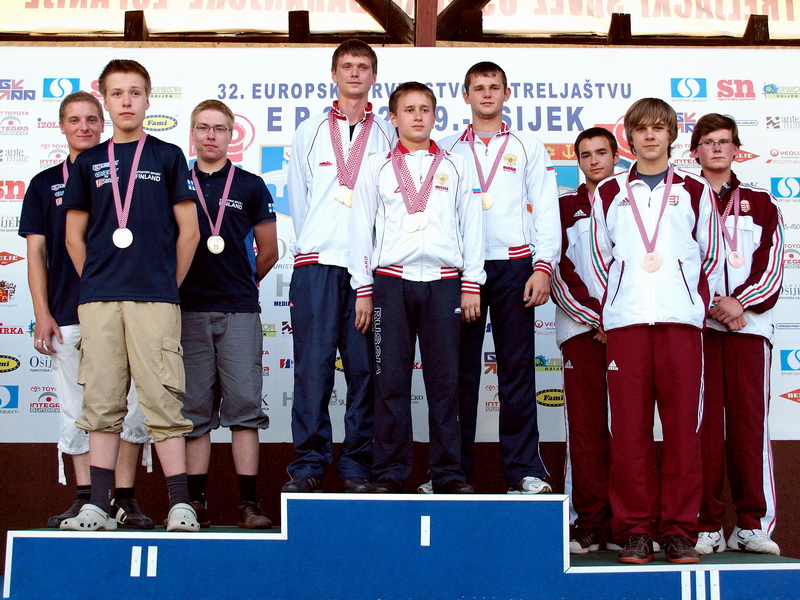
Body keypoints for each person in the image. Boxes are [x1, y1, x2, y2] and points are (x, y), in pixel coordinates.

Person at [60, 59, 201, 532]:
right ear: (104, 98)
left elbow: (189, 232)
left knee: (162, 400)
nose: (126, 101)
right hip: (100, 300)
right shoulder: (88, 162)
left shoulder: (167, 155)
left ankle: (180, 505)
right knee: (101, 403)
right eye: (117, 93)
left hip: (155, 299)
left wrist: (167, 284)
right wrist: (98, 279)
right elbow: (73, 237)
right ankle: (98, 506)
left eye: (135, 92)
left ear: (147, 99)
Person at [590, 98, 723, 564]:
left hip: (679, 324)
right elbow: (599, 257)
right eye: (641, 129)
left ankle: (680, 531)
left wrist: (690, 301)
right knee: (629, 433)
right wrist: (616, 302)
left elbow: (710, 256)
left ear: (671, 134)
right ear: (629, 136)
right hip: (626, 326)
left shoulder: (695, 190)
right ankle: (635, 531)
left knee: (684, 431)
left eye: (658, 128)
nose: (650, 136)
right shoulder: (610, 191)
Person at [19, 91, 153, 530]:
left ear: (103, 122)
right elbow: (36, 254)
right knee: (76, 408)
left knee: (131, 408)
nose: (84, 127)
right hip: (68, 313)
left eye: (92, 119)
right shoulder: (44, 184)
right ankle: (84, 499)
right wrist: (42, 313)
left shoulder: (123, 175)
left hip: (126, 309)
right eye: (74, 120)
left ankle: (125, 498)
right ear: (61, 126)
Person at [349, 81, 485, 494]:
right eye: (409, 109)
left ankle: (448, 474)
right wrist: (363, 288)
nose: (418, 116)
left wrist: (472, 283)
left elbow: (472, 226)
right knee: (390, 383)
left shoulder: (456, 165)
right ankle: (390, 472)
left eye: (425, 109)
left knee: (446, 385)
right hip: (391, 283)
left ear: (435, 115)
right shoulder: (376, 166)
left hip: (445, 284)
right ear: (393, 118)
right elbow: (361, 230)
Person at [439, 61, 560, 495]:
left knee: (516, 372)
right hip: (462, 271)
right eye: (479, 87)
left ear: (507, 94)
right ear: (465, 95)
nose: (487, 94)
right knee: (457, 374)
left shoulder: (528, 145)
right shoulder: (447, 148)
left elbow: (545, 208)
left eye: (494, 87)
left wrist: (543, 266)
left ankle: (524, 471)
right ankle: (451, 473)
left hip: (514, 267)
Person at [284, 39, 396, 493]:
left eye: (363, 66)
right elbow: (299, 198)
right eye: (347, 66)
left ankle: (356, 465)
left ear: (374, 77)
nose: (354, 73)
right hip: (316, 265)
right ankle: (309, 465)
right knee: (312, 369)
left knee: (364, 371)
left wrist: (365, 259)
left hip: (367, 271)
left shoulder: (387, 133)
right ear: (334, 74)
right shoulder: (309, 131)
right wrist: (319, 240)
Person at [180, 99, 278, 528]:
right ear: (192, 133)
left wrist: (241, 282)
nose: (211, 135)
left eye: (219, 128)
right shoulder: (176, 182)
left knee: (244, 409)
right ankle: (194, 503)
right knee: (193, 413)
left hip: (239, 310)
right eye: (203, 127)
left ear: (231, 134)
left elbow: (269, 250)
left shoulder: (251, 185)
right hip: (186, 310)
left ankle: (248, 504)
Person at [690, 113, 783, 556]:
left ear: (736, 149)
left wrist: (739, 303)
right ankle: (706, 525)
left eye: (724, 141)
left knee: (749, 428)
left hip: (750, 328)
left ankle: (751, 524)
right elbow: (678, 262)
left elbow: (773, 262)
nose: (717, 148)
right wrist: (712, 305)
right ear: (695, 152)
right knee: (702, 430)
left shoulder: (761, 202)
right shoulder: (683, 198)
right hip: (700, 330)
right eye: (708, 141)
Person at [551, 127, 618, 552]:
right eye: (586, 154)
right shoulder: (563, 206)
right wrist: (597, 318)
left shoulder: (633, 202)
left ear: (616, 156)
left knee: (627, 431)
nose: (594, 160)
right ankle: (587, 523)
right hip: (581, 331)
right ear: (577, 161)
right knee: (586, 430)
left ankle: (628, 524)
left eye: (601, 152)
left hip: (629, 331)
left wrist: (620, 318)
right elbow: (556, 267)